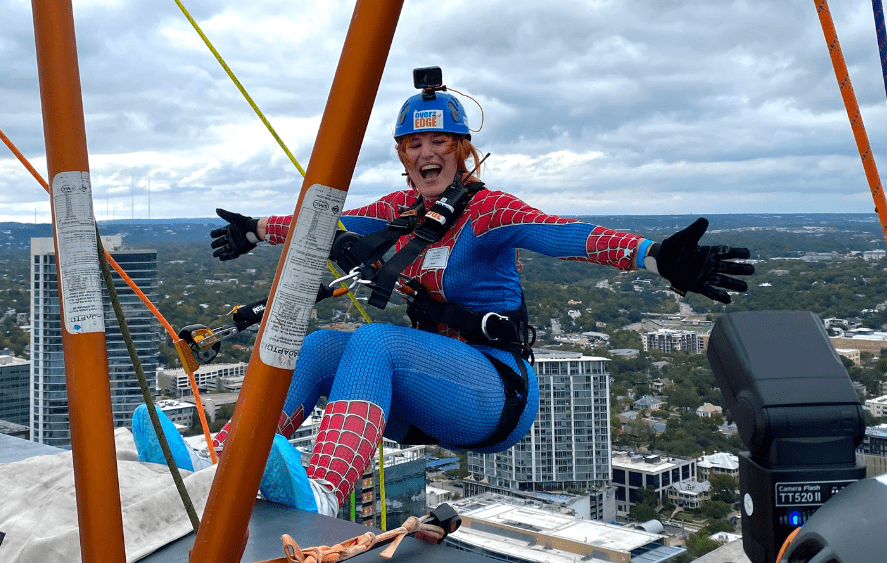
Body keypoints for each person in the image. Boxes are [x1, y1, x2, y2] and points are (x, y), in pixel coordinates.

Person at [167, 70, 753, 516]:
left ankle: (321, 492)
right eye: (414, 146)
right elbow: (330, 224)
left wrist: (651, 255)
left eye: (441, 142)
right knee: (321, 348)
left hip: (497, 392)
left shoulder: (487, 210)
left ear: (462, 149)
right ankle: (226, 457)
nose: (427, 154)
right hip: (431, 394)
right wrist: (256, 231)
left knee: (376, 341)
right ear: (401, 155)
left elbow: (560, 234)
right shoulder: (400, 212)